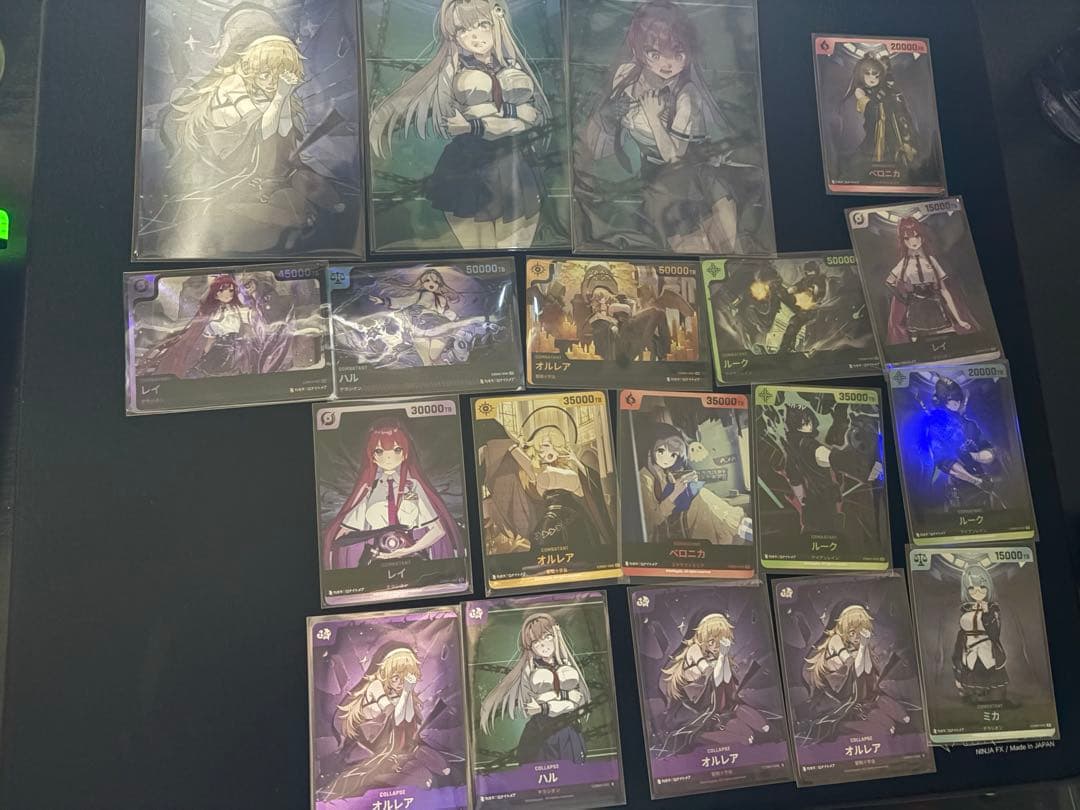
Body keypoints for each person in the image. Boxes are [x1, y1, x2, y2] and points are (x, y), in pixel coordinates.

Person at [369, 0, 551, 249]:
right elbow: (499, 124)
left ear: (497, 23)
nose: (474, 36)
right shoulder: (457, 76)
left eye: (482, 24)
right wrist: (506, 116)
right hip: (466, 167)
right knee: (480, 258)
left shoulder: (515, 69)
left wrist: (479, 123)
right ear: (454, 37)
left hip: (513, 166)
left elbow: (530, 119)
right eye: (463, 30)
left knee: (514, 254)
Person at [578, 0, 753, 253]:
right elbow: (597, 140)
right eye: (655, 54)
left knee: (714, 250)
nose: (667, 64)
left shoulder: (687, 95)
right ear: (639, 50)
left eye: (678, 54)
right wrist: (610, 116)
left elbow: (675, 158)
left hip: (690, 177)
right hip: (648, 176)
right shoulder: (627, 74)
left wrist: (653, 118)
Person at [322, 418, 461, 570]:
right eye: (379, 451)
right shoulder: (368, 490)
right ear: (372, 456)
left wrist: (409, 550)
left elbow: (438, 530)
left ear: (405, 453)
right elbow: (344, 533)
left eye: (396, 450)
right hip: (376, 562)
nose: (388, 457)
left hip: (415, 559)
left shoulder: (412, 487)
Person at [325, 646, 451, 797]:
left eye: (405, 677)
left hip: (397, 747)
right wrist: (406, 691)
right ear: (384, 673)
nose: (400, 682)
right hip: (370, 748)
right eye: (395, 677)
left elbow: (407, 718)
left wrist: (407, 693)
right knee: (419, 778)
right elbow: (393, 715)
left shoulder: (399, 693)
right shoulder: (375, 686)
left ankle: (420, 761)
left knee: (428, 767)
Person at [479, 613, 590, 764]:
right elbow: (534, 705)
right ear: (530, 647)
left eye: (547, 637)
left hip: (568, 732)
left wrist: (548, 703)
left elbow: (575, 702)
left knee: (575, 772)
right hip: (540, 734)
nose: (543, 645)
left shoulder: (568, 667)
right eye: (536, 642)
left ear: (556, 635)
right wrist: (564, 697)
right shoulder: (530, 671)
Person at [657, 613, 769, 756]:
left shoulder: (714, 655)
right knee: (742, 738)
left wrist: (723, 658)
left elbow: (726, 680)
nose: (716, 645)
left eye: (720, 639)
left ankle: (737, 718)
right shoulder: (694, 650)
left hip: (715, 710)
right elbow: (711, 675)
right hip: (693, 714)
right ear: (700, 637)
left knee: (748, 731)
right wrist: (722, 656)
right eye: (711, 641)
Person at [639, 423, 749, 544]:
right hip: (662, 526)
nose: (667, 459)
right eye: (661, 451)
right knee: (702, 502)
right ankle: (741, 530)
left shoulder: (664, 471)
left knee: (702, 496)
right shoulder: (644, 478)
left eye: (673, 455)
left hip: (676, 512)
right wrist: (675, 493)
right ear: (650, 449)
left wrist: (689, 483)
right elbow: (652, 521)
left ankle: (738, 530)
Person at [885, 217, 975, 344]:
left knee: (948, 338)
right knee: (919, 343)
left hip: (935, 305)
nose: (913, 241)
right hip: (916, 309)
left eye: (916, 236)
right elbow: (889, 282)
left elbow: (944, 291)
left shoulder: (931, 260)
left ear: (922, 237)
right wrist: (904, 297)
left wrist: (959, 320)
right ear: (903, 241)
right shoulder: (903, 264)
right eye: (907, 238)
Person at [952, 565, 1009, 703]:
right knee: (971, 672)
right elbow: (962, 631)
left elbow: (995, 634)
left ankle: (992, 699)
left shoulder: (993, 609)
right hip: (968, 647)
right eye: (971, 588)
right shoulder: (966, 609)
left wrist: (987, 613)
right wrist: (959, 649)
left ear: (989, 588)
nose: (977, 592)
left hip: (987, 647)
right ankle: (975, 697)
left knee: (988, 671)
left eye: (982, 587)